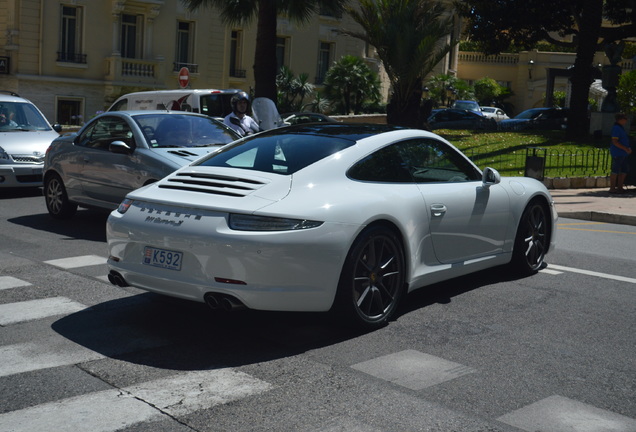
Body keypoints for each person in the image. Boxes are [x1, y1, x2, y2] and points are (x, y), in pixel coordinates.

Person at [609, 112, 632, 194]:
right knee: (615, 170)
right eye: (625, 119)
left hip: (624, 153)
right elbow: (615, 141)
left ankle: (620, 187)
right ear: (620, 119)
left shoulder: (621, 128)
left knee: (624, 170)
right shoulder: (616, 128)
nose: (626, 121)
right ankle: (612, 188)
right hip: (618, 153)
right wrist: (625, 148)